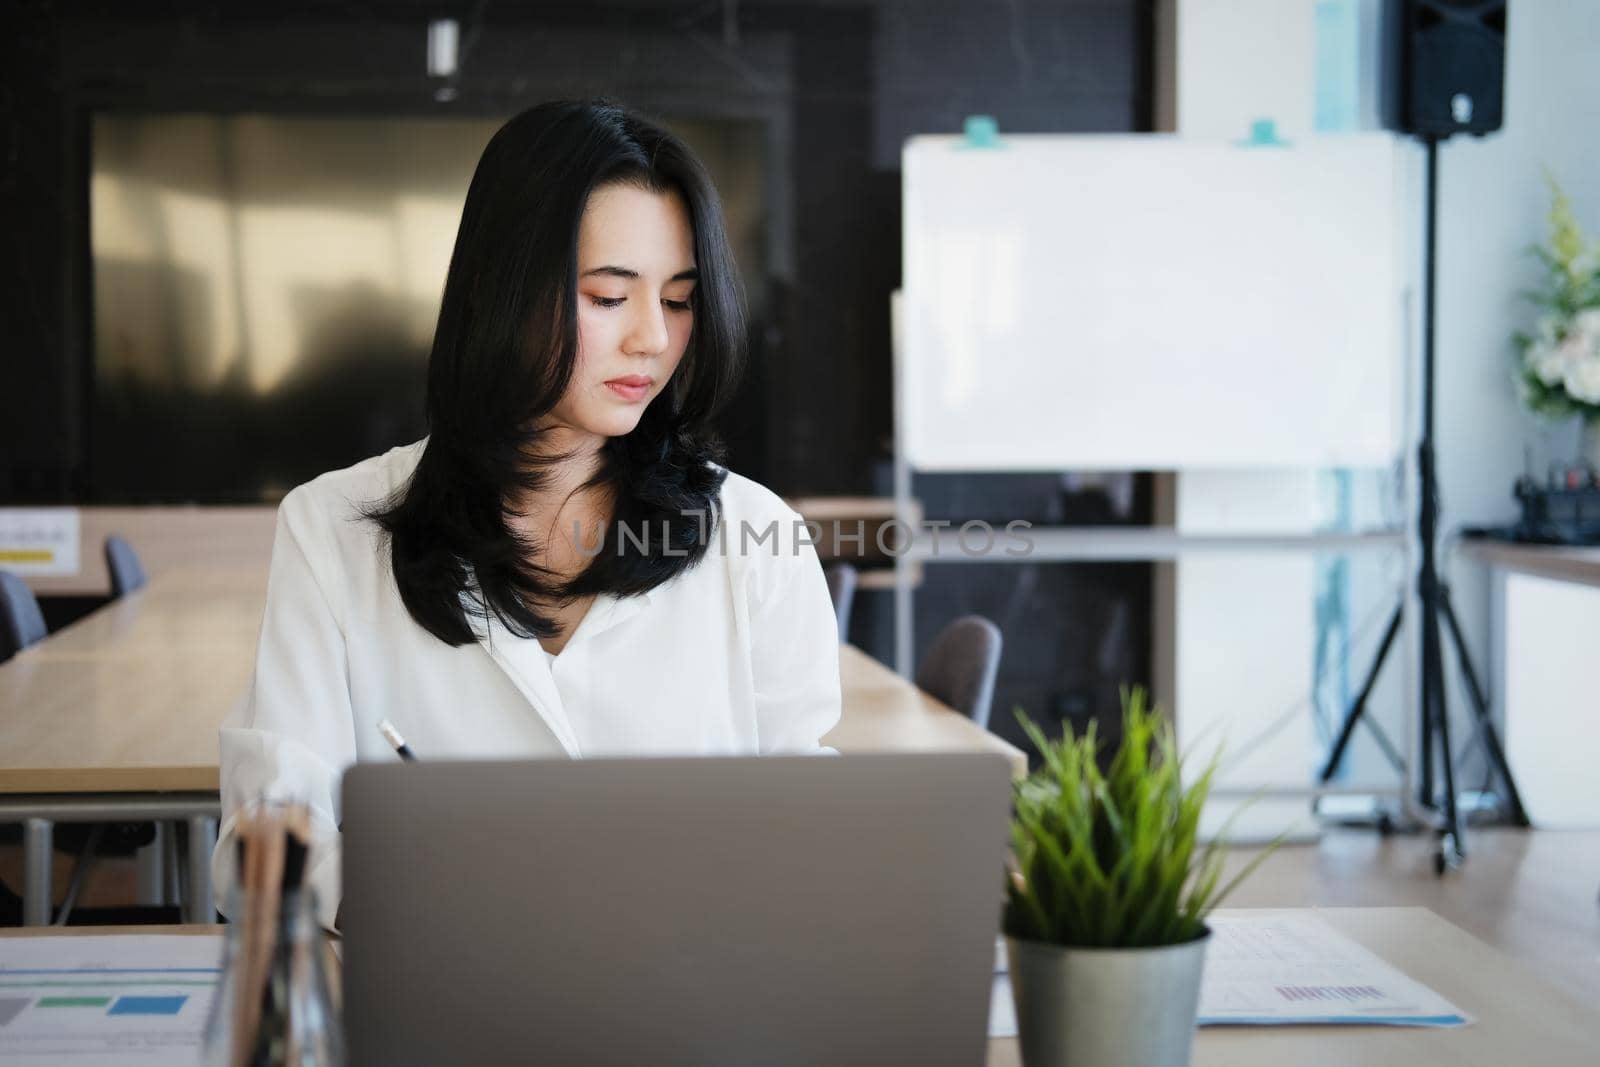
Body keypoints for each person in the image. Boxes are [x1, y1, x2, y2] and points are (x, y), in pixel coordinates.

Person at [214, 100, 841, 928]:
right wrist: (419, 898)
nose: (654, 337)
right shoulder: (333, 527)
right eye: (610, 296)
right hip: (439, 1009)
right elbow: (264, 844)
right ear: (500, 290)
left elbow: (815, 826)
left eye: (680, 300)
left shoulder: (755, 537)